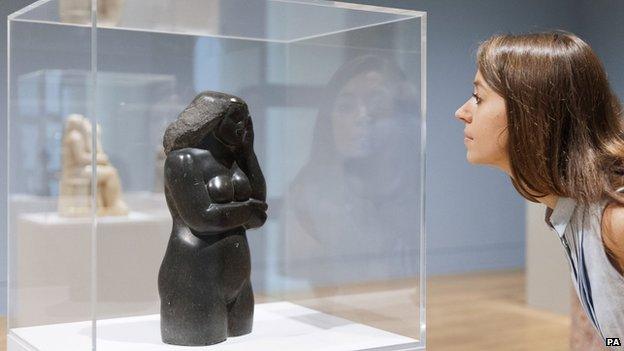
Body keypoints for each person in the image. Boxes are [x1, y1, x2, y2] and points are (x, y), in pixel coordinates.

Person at [455, 31, 624, 346]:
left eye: (478, 97)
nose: (462, 112)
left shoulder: (615, 220)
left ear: (532, 112)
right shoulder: (569, 208)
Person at [282, 55, 421, 287]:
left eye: (377, 104)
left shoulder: (419, 184)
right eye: (346, 107)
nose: (363, 117)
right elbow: (301, 271)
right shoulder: (308, 193)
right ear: (329, 119)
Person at [159, 91, 267, 346]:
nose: (244, 127)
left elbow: (260, 211)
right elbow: (201, 218)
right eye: (236, 119)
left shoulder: (236, 159)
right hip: (195, 277)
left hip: (239, 277)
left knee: (245, 344)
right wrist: (248, 211)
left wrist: (249, 154)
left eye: (247, 120)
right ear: (212, 120)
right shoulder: (182, 160)